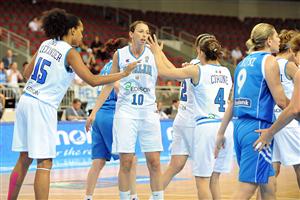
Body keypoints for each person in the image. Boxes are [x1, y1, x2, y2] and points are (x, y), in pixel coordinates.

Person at [7, 8, 138, 200]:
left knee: (24, 158)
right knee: (44, 162)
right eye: (81, 31)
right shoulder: (70, 53)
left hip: (26, 100)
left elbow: (27, 73)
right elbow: (93, 80)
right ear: (72, 30)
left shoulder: (45, 44)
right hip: (43, 105)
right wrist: (123, 74)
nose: (83, 35)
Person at [147, 34, 234, 199]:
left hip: (193, 120)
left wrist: (157, 53)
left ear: (199, 49)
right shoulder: (226, 71)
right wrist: (159, 53)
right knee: (212, 177)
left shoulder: (195, 67)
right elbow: (170, 68)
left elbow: (167, 70)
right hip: (212, 123)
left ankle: (154, 197)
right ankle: (155, 197)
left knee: (180, 167)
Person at [214, 23, 289, 200]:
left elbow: (232, 102)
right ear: (269, 40)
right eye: (277, 36)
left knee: (269, 183)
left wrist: (221, 132)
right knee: (246, 188)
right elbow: (281, 101)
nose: (279, 40)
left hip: (240, 127)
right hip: (258, 129)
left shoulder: (242, 63)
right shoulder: (269, 60)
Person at [94, 21, 164, 200]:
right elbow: (109, 84)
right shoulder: (120, 54)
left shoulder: (154, 53)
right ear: (131, 34)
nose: (144, 35)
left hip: (148, 113)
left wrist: (162, 55)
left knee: (155, 162)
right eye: (140, 31)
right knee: (125, 162)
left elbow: (169, 71)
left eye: (147, 32)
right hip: (126, 112)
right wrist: (94, 112)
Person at [84, 37, 138, 200]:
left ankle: (88, 197)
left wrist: (93, 113)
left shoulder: (106, 67)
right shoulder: (120, 67)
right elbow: (116, 87)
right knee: (130, 159)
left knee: (98, 161)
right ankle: (133, 196)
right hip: (112, 115)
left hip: (99, 115)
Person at [160, 33, 214, 191]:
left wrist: (159, 52)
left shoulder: (192, 64)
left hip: (181, 118)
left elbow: (171, 69)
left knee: (175, 166)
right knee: (205, 172)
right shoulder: (204, 67)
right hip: (195, 122)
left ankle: (153, 196)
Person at [255, 32, 300, 188]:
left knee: (272, 169)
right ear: (291, 49)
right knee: (299, 165)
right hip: (288, 119)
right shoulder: (290, 66)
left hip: (270, 119)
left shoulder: (269, 62)